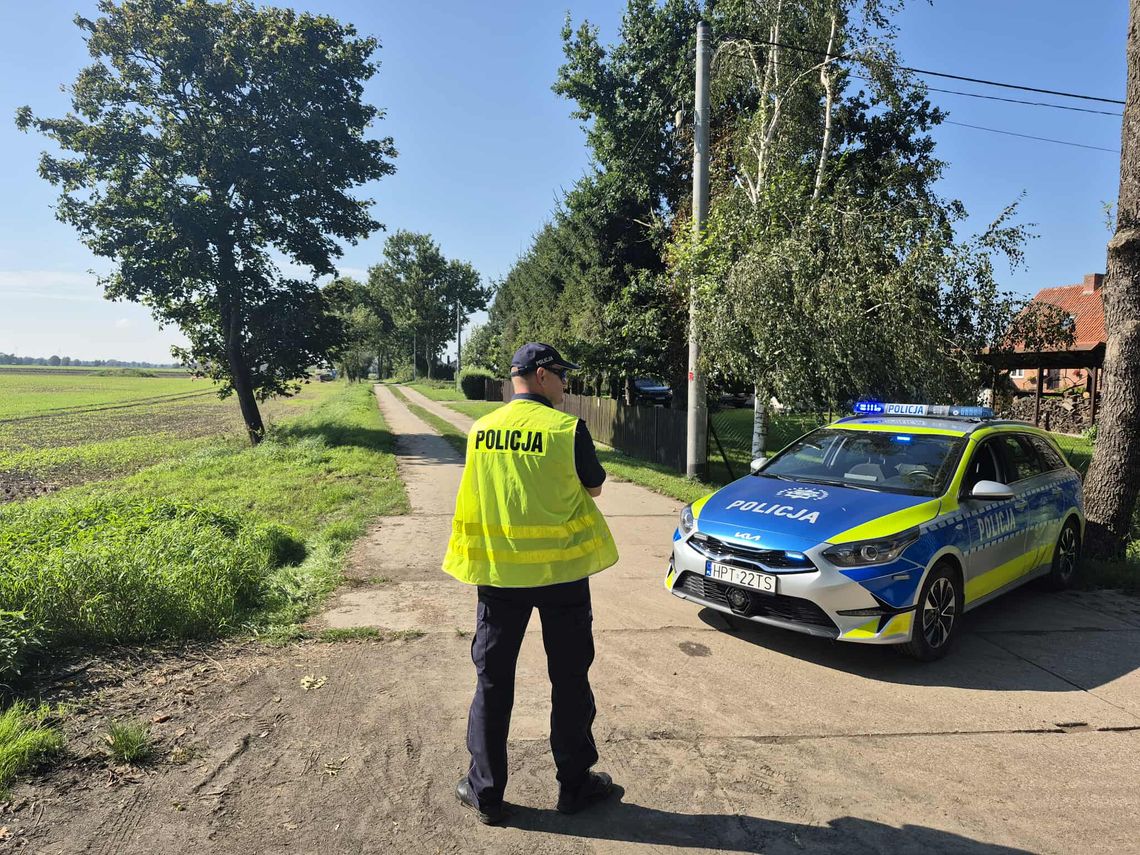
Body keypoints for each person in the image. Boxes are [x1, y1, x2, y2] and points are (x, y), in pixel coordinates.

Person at [443, 342, 620, 825]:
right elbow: (594, 487)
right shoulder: (567, 430)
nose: (566, 385)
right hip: (561, 576)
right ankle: (574, 787)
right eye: (561, 375)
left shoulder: (482, 431)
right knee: (568, 680)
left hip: (499, 577)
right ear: (541, 376)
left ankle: (486, 794)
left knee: (493, 683)